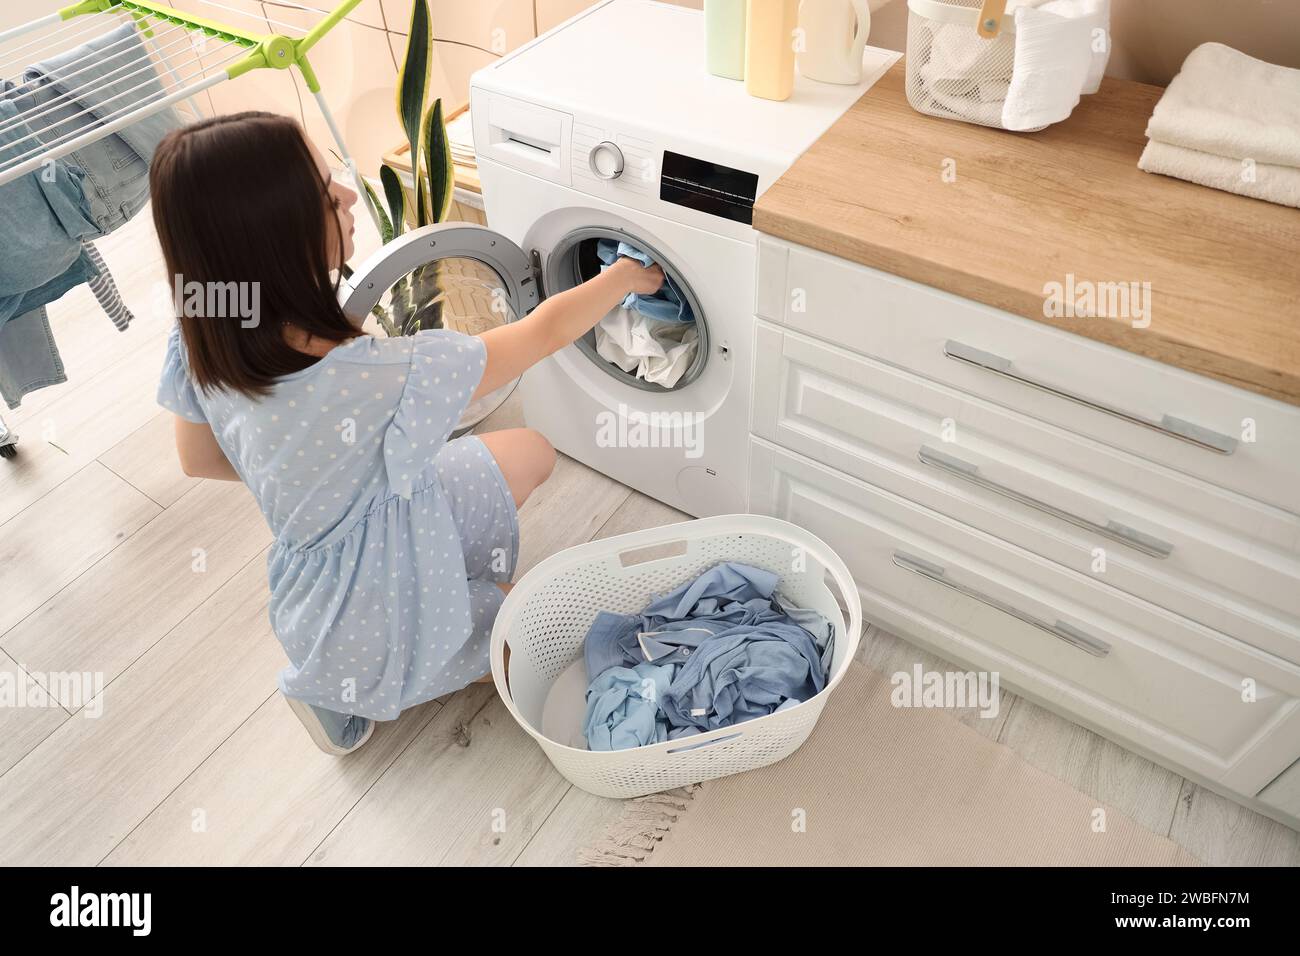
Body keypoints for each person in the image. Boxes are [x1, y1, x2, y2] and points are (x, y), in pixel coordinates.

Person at [151, 112, 664, 754]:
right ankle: (353, 686)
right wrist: (621, 279)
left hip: (312, 589)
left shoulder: (203, 328)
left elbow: (198, 458)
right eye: (323, 193)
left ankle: (346, 668)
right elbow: (540, 333)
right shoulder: (374, 375)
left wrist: (314, 476)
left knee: (531, 451)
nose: (345, 193)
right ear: (275, 236)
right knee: (532, 625)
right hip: (380, 606)